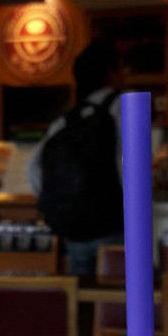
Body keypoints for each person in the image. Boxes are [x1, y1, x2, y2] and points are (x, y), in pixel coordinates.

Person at [29, 40, 124, 278]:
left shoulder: (65, 121)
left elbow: (32, 168)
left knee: (80, 296)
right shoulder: (124, 107)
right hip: (114, 229)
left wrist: (58, 202)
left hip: (74, 232)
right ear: (111, 72)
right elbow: (132, 172)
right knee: (118, 297)